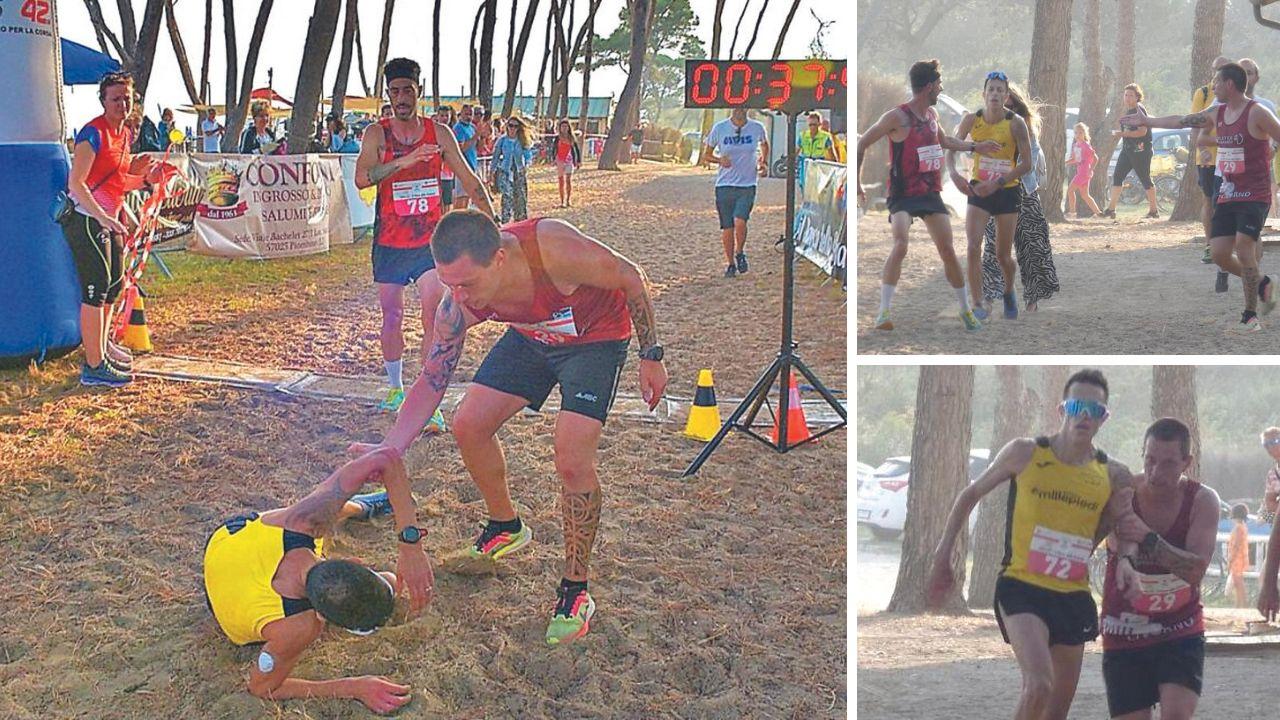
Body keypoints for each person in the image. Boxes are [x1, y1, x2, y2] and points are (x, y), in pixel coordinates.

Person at [361, 210, 668, 646]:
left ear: (500, 259)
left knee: (571, 459)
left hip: (595, 339)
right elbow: (432, 379)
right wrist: (390, 448)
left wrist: (650, 354)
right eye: (448, 283)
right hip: (533, 338)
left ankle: (575, 590)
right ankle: (506, 526)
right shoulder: (456, 305)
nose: (456, 295)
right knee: (468, 424)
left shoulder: (554, 250)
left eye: (466, 283)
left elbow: (630, 277)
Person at [928, 368, 1150, 720]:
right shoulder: (1025, 453)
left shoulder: (1114, 474)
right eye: (1077, 406)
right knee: (1038, 685)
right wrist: (943, 557)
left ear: (1104, 418)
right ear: (1062, 410)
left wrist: (1127, 562)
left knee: (1055, 712)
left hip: (1072, 595)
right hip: (1021, 586)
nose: (1084, 416)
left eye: (1094, 410)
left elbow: (1122, 529)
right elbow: (969, 495)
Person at [202, 446, 432, 714]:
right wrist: (354, 687)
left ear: (353, 562)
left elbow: (385, 458)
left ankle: (361, 506)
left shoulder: (304, 521)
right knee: (387, 577)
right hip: (226, 609)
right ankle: (362, 507)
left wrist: (410, 544)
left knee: (321, 510)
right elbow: (262, 688)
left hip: (226, 542)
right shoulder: (301, 626)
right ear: (322, 617)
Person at [355, 58, 495, 429]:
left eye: (408, 90)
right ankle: (395, 388)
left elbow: (468, 178)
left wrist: (495, 223)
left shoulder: (439, 134)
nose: (401, 98)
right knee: (393, 315)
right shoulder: (376, 134)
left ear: (419, 91)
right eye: (395, 91)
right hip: (389, 240)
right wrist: (405, 162)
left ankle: (426, 396)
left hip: (429, 242)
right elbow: (362, 179)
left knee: (433, 311)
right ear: (388, 94)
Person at [1130, 62, 1280, 332]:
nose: (1213, 86)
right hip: (1228, 192)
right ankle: (1263, 284)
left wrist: (1272, 147)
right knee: (1220, 254)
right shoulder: (1217, 112)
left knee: (1245, 249)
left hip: (1254, 194)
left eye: (1217, 82)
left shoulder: (1257, 112)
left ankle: (1250, 316)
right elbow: (1182, 120)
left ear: (1230, 85)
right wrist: (1147, 121)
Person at [856, 59, 993, 331]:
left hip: (930, 193)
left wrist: (976, 147)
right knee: (901, 244)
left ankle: (965, 310)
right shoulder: (897, 117)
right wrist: (858, 183)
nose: (941, 90)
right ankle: (883, 312)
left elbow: (946, 142)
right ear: (929, 86)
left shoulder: (931, 117)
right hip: (903, 194)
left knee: (947, 250)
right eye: (939, 85)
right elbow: (862, 142)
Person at [1099, 417, 1220, 720]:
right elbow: (1115, 543)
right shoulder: (1124, 491)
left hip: (1180, 627)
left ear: (1186, 462)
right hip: (1123, 626)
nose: (1155, 472)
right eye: (1149, 460)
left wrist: (1147, 537)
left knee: (1177, 714)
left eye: (1168, 464)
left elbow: (1195, 570)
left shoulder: (1203, 500)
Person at [61, 72, 159, 387]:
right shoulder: (93, 133)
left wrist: (146, 181)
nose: (122, 104)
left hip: (109, 218)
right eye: (115, 98)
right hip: (86, 219)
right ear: (103, 100)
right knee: (96, 288)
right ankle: (93, 365)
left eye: (126, 98)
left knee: (114, 285)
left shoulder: (124, 135)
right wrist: (102, 215)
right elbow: (76, 183)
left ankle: (101, 349)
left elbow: (117, 181)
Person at [948, 70, 1033, 320]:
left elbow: (1027, 163)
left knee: (1002, 256)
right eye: (991, 89)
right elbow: (951, 148)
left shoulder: (1016, 123)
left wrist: (998, 182)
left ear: (1006, 96)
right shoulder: (971, 120)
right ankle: (978, 303)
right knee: (973, 245)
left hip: (1006, 191)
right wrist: (953, 174)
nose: (995, 94)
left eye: (1000, 90)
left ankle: (1008, 291)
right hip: (978, 188)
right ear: (984, 94)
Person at [979, 82, 1059, 313]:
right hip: (997, 192)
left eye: (1011, 104)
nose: (1006, 109)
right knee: (993, 246)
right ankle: (989, 298)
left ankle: (1032, 300)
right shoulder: (985, 125)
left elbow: (1029, 162)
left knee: (1032, 246)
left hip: (1023, 192)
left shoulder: (1024, 126)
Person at [702, 108, 769, 278]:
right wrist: (719, 160)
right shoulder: (720, 128)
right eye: (737, 108)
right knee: (727, 227)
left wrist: (763, 162)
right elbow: (706, 155)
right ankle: (731, 263)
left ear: (747, 109)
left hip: (747, 184)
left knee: (740, 220)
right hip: (724, 184)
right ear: (732, 109)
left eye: (743, 108)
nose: (740, 111)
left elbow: (764, 144)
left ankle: (740, 252)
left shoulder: (757, 127)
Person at [1190, 56, 1231, 280]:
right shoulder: (1204, 94)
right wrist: (1201, 148)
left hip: (1229, 157)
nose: (1218, 74)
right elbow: (1194, 122)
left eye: (1223, 70)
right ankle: (1210, 244)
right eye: (1216, 70)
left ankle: (1224, 243)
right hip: (1207, 157)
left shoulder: (1233, 96)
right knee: (1209, 199)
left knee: (1225, 201)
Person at [1103, 84, 1159, 219]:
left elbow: (1142, 131)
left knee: (1145, 179)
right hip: (1127, 151)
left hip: (1141, 151)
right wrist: (1122, 134)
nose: (1127, 98)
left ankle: (1153, 211)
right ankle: (1111, 210)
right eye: (1126, 95)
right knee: (1117, 177)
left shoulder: (1139, 110)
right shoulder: (1129, 111)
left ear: (1137, 97)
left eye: (1131, 95)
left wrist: (1122, 134)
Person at [490, 115, 535, 222]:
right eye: (511, 125)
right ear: (507, 126)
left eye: (515, 126)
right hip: (505, 172)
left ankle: (520, 222)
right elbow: (495, 157)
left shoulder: (522, 141)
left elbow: (528, 155)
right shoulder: (502, 140)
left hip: (519, 173)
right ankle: (505, 221)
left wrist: (526, 165)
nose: (513, 128)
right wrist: (491, 171)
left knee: (520, 198)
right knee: (507, 197)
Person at [1066, 122, 1103, 217]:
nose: (1078, 135)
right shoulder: (1075, 145)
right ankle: (1098, 213)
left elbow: (1096, 158)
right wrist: (1064, 163)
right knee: (1085, 195)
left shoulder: (1086, 145)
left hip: (1084, 173)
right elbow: (1074, 159)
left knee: (1070, 190)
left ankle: (1072, 213)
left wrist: (1091, 169)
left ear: (1084, 134)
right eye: (1076, 133)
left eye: (1080, 133)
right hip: (1081, 172)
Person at [452, 104, 481, 210]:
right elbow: (462, 148)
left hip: (472, 166)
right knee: (461, 198)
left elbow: (478, 148)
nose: (469, 117)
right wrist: (476, 136)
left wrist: (481, 136)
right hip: (463, 167)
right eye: (466, 114)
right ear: (461, 114)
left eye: (471, 114)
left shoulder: (472, 127)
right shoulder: (458, 128)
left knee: (469, 196)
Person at [797, 111, 836, 189]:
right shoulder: (803, 135)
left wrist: (835, 168)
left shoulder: (826, 137)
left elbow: (832, 154)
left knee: (816, 188)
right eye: (810, 125)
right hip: (805, 163)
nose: (812, 127)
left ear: (819, 124)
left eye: (814, 125)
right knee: (804, 186)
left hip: (818, 164)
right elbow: (797, 150)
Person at [553, 119, 581, 208]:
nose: (564, 128)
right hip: (560, 160)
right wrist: (553, 159)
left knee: (568, 180)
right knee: (561, 181)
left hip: (569, 160)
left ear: (569, 128)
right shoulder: (557, 138)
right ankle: (562, 201)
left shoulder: (572, 138)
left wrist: (578, 161)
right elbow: (554, 149)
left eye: (566, 126)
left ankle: (568, 200)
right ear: (560, 128)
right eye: (562, 126)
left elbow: (577, 150)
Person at [1228, 503, 1251, 608]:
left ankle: (1243, 604)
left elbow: (1236, 545)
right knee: (1238, 582)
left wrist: (1230, 559)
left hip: (1237, 558)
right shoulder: (1243, 527)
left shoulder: (1238, 528)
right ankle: (1239, 604)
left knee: (1238, 583)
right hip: (1241, 557)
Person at [1259, 426, 1280, 523]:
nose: (1270, 448)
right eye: (1266, 445)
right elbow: (1269, 503)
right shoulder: (1272, 475)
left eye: (1273, 442)